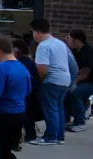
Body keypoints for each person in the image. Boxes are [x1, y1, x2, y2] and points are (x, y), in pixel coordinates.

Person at [29, 18, 71, 146]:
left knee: (50, 109)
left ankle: (50, 136)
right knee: (59, 108)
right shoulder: (59, 43)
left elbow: (41, 69)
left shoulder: (43, 46)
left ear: (37, 32)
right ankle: (59, 135)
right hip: (64, 79)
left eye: (32, 32)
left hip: (52, 80)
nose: (33, 35)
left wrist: (38, 82)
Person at [66, 29, 93, 132]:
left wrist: (72, 83)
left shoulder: (88, 52)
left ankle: (80, 122)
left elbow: (84, 75)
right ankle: (69, 119)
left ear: (77, 40)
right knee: (66, 91)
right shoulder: (75, 50)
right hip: (86, 79)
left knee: (74, 92)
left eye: (69, 38)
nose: (67, 40)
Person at [13, 39, 42, 145]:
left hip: (26, 94)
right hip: (31, 93)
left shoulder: (21, 63)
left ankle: (27, 135)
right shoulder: (28, 61)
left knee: (25, 112)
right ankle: (30, 134)